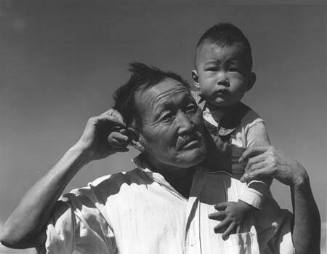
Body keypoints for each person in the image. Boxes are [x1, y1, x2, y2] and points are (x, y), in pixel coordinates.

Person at [0, 63, 320, 254]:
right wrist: (81, 153)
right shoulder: (111, 200)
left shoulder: (241, 195)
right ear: (137, 138)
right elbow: (16, 235)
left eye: (190, 108)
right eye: (167, 116)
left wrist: (300, 183)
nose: (187, 124)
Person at [191, 23, 278, 236]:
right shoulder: (187, 108)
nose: (222, 78)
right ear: (196, 79)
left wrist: (247, 205)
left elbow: (263, 170)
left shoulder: (252, 124)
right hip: (192, 197)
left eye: (233, 69)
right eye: (212, 69)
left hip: (235, 206)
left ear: (249, 81)